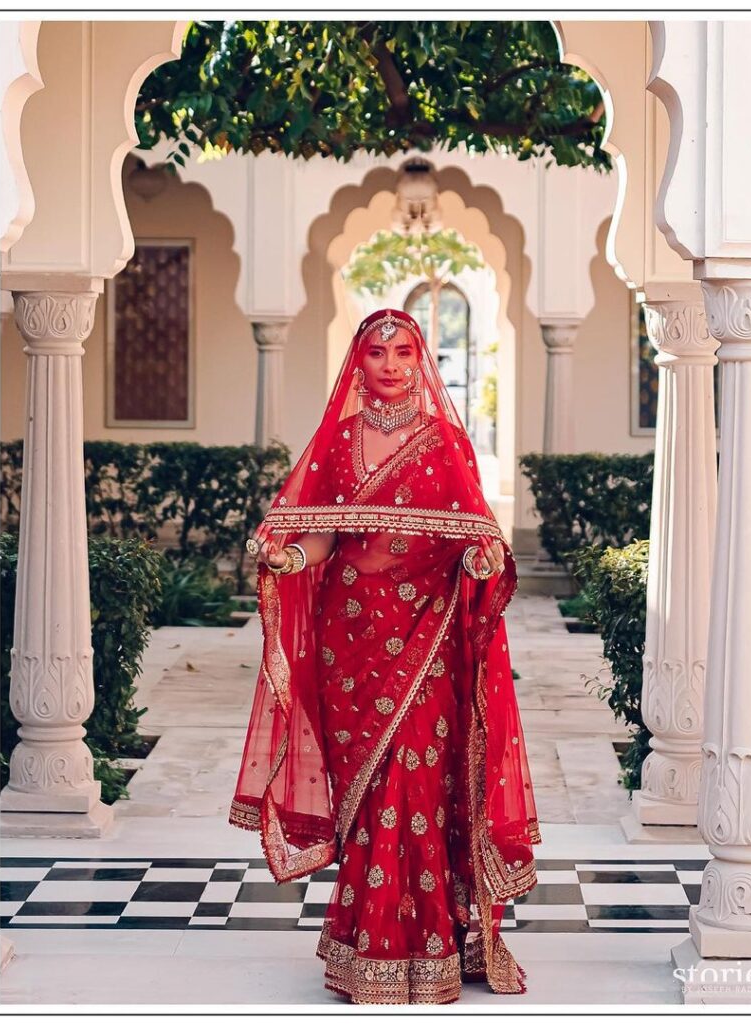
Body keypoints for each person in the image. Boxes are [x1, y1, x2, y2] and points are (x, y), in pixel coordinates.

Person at [229, 307, 540, 1005]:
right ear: (358, 362)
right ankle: (364, 946)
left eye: (405, 351)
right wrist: (286, 554)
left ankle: (430, 945)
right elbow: (321, 537)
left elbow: (471, 538)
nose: (393, 364)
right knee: (368, 795)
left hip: (425, 636)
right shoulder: (337, 444)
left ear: (421, 360)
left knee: (418, 782)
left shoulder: (446, 442)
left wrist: (483, 556)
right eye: (378, 352)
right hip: (353, 640)